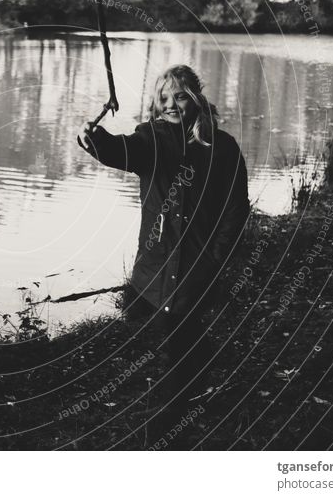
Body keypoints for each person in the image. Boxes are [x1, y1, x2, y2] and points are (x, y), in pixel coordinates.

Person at [78, 64, 250, 447]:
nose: (171, 104)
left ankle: (166, 432)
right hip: (156, 268)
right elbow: (123, 150)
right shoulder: (152, 139)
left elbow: (236, 210)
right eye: (164, 98)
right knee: (176, 340)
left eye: (180, 96)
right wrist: (95, 139)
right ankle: (177, 410)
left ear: (197, 98)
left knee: (179, 343)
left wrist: (216, 258)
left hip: (198, 268)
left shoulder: (223, 149)